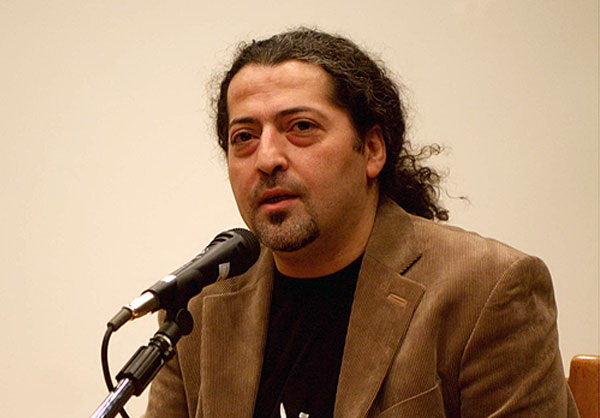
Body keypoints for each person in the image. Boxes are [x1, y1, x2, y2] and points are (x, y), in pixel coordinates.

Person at [144, 28, 579, 417]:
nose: (267, 158)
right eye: (244, 137)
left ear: (372, 150)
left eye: (300, 127)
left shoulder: (486, 289)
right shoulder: (197, 304)